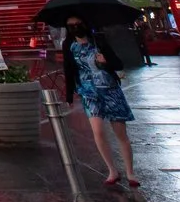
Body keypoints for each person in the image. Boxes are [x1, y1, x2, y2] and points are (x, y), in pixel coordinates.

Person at [59, 16, 138, 189]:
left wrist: (106, 62)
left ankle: (130, 172)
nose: (75, 28)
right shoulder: (68, 45)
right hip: (89, 92)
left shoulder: (99, 41)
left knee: (120, 133)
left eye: (78, 24)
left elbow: (118, 64)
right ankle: (112, 170)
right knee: (98, 131)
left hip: (110, 89)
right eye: (70, 26)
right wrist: (69, 95)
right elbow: (68, 68)